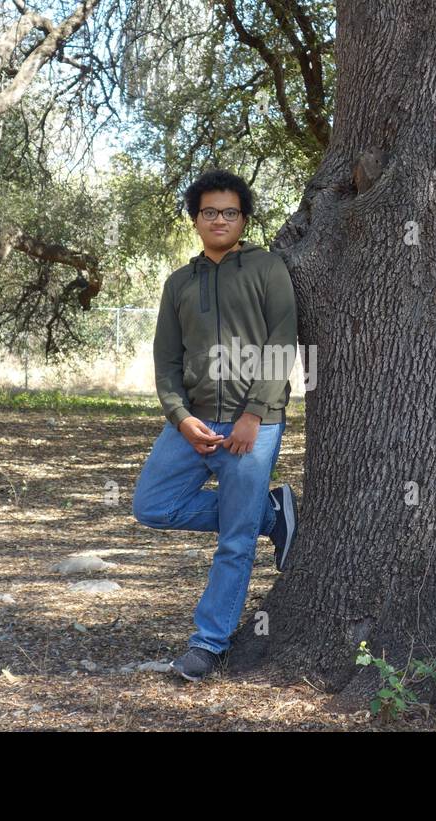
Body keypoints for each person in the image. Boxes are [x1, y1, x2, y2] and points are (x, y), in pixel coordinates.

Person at [131, 169, 299, 682]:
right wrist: (180, 418)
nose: (219, 219)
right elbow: (166, 362)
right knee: (153, 505)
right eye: (210, 212)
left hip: (256, 422)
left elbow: (283, 341)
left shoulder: (268, 268)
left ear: (243, 218)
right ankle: (271, 516)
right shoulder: (179, 283)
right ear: (196, 219)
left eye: (230, 211)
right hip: (195, 422)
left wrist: (253, 415)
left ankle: (208, 643)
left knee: (234, 541)